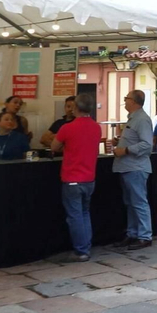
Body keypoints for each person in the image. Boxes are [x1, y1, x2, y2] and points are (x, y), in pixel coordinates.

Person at [52, 92, 101, 262]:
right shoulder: (96, 127)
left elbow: (54, 146)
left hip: (72, 178)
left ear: (75, 107)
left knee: (74, 216)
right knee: (85, 213)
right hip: (89, 178)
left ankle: (81, 251)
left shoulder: (67, 128)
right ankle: (86, 247)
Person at [113, 88, 154, 249]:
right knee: (130, 202)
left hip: (136, 167)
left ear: (134, 101)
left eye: (127, 98)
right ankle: (132, 233)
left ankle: (145, 235)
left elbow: (146, 145)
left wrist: (126, 150)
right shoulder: (132, 118)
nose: (125, 100)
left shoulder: (142, 119)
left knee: (139, 202)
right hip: (126, 167)